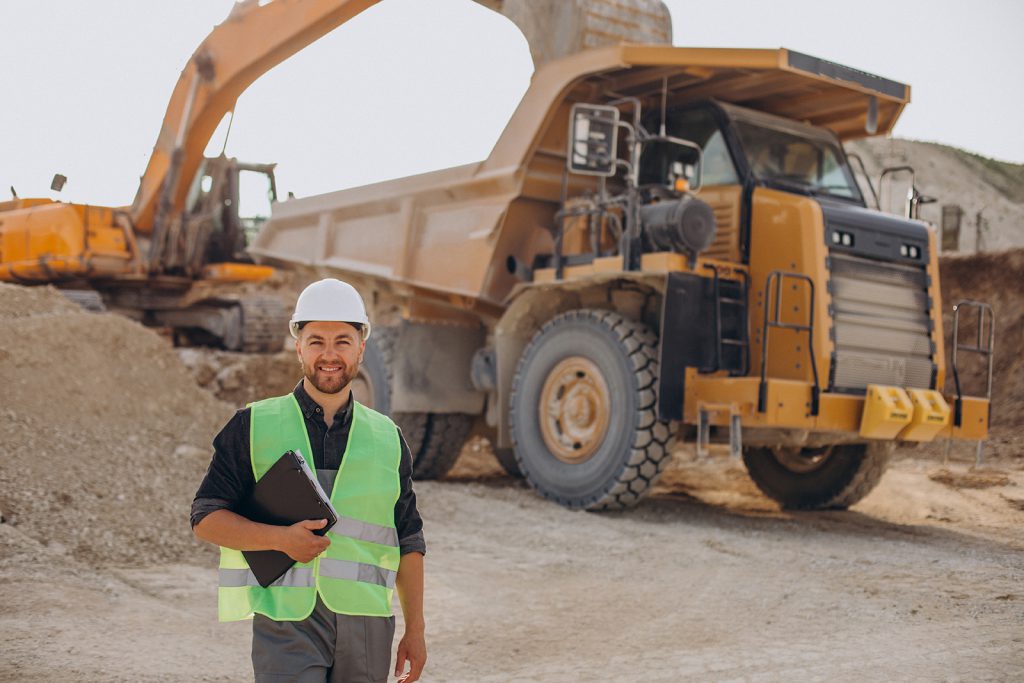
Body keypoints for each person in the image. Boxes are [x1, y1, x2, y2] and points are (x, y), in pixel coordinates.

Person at [191, 278, 427, 683]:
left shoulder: (388, 437)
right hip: (286, 621)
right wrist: (280, 540)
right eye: (316, 341)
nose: (329, 355)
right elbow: (205, 518)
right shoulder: (253, 424)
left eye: (342, 341)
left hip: (367, 621)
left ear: (361, 348)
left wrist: (416, 629)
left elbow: (408, 539)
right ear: (298, 346)